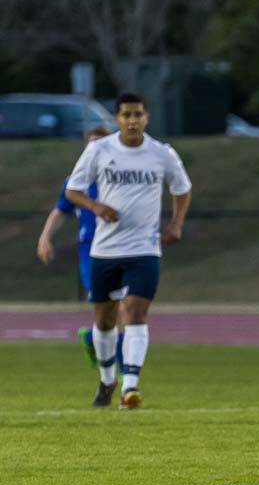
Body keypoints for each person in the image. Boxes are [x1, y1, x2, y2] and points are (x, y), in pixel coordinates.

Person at [65, 93, 192, 409]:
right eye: (126, 115)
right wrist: (95, 206)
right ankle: (107, 380)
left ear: (147, 117)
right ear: (117, 119)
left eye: (138, 114)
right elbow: (72, 190)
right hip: (105, 250)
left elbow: (182, 188)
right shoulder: (99, 150)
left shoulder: (161, 154)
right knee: (104, 320)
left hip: (144, 248)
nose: (132, 121)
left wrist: (176, 223)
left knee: (135, 311)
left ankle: (130, 387)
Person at [37, 127, 125, 374]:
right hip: (91, 253)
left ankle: (121, 373)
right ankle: (114, 367)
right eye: (90, 145)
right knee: (110, 310)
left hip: (122, 248)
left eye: (99, 144)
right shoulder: (76, 181)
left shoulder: (120, 178)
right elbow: (59, 211)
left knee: (125, 309)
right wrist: (45, 238)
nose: (94, 150)